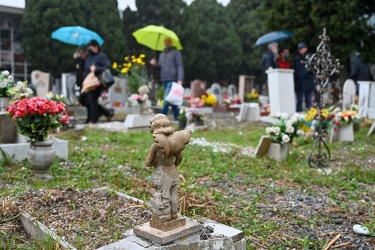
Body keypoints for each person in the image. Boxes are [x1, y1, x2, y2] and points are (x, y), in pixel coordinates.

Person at [145, 114, 191, 219]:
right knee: (173, 193)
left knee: (154, 189)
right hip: (173, 172)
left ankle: (164, 214)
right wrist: (173, 166)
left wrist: (156, 163)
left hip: (160, 173)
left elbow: (148, 163)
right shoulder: (175, 143)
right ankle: (174, 213)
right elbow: (179, 159)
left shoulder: (155, 146)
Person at [150, 37, 184, 120]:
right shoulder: (162, 54)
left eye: (168, 41)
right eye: (165, 41)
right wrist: (154, 64)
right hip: (164, 78)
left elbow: (180, 66)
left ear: (171, 43)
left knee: (167, 98)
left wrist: (180, 78)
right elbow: (159, 67)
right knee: (171, 100)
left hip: (173, 78)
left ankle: (161, 118)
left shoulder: (176, 53)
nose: (166, 43)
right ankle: (178, 117)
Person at [82, 39, 114, 123]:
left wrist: (97, 69)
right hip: (88, 82)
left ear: (96, 47)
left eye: (91, 47)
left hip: (97, 82)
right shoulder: (89, 57)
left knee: (92, 100)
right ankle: (106, 113)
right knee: (85, 100)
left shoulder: (102, 56)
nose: (89, 49)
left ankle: (92, 120)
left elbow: (107, 67)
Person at [294, 42, 315, 112]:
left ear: (306, 48)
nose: (300, 50)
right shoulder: (297, 59)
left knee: (308, 100)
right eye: (299, 49)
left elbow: (312, 69)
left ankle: (309, 113)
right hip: (299, 82)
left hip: (307, 81)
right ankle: (298, 113)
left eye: (301, 48)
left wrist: (307, 74)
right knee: (299, 100)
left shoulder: (310, 57)